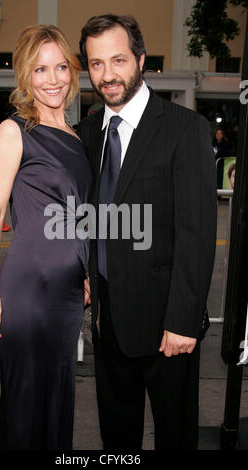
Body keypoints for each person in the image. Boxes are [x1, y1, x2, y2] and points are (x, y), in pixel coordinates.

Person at [78, 14, 217, 450]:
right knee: (117, 439)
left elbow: (196, 234)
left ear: (140, 59)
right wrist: (85, 273)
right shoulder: (88, 132)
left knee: (175, 436)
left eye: (117, 60)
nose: (107, 74)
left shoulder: (184, 128)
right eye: (96, 63)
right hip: (109, 322)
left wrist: (181, 321)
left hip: (166, 329)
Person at [0, 24, 92, 450]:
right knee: (26, 399)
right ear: (26, 77)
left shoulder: (77, 137)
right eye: (41, 70)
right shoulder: (15, 131)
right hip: (27, 289)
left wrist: (83, 270)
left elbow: (79, 215)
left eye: (61, 67)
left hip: (65, 296)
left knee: (57, 399)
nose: (53, 79)